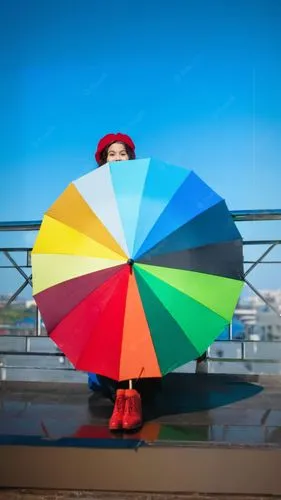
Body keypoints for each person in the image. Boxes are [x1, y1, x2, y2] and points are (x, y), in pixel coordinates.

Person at [93, 132, 162, 432]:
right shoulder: (94, 196)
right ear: (103, 161)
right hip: (107, 268)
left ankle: (130, 396)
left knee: (137, 324)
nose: (118, 159)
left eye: (123, 154)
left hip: (140, 266)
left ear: (131, 159)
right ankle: (122, 394)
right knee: (113, 326)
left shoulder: (144, 192)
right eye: (112, 154)